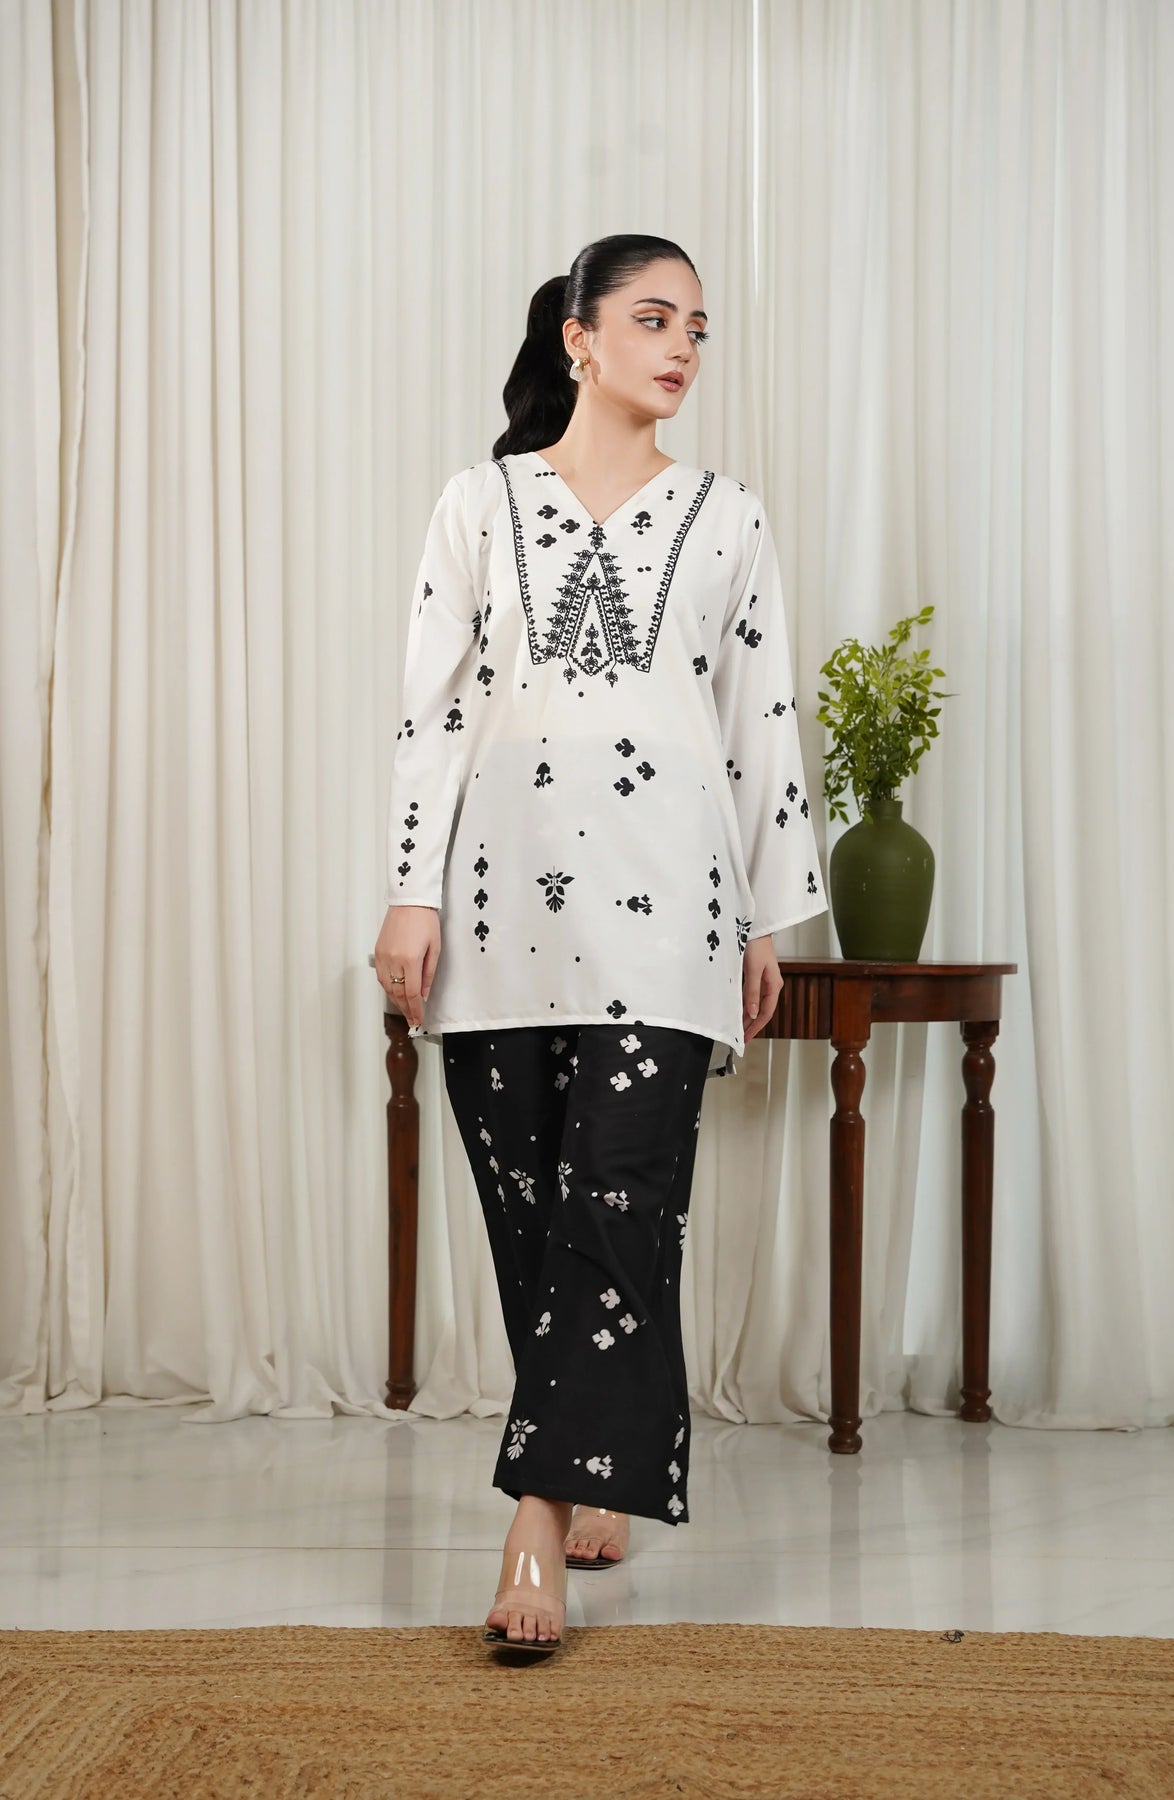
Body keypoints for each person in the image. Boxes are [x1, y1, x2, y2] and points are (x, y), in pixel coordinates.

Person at [374, 234, 827, 1655]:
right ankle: (602, 1462)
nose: (682, 345)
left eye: (698, 327)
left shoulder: (728, 516)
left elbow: (761, 719)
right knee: (533, 1217)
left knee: (620, 1208)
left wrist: (766, 913)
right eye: (652, 318)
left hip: (671, 911)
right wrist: (408, 892)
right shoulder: (479, 504)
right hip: (498, 910)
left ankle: (536, 1519)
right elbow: (433, 713)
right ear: (578, 336)